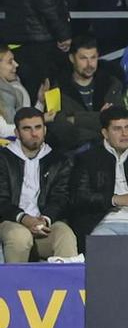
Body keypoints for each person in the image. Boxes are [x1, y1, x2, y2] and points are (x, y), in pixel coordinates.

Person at [50, 106, 128, 248]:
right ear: (105, 133)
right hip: (102, 225)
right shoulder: (88, 159)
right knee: (105, 256)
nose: (124, 134)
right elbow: (78, 197)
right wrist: (113, 199)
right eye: (117, 129)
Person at [0, 108, 76, 261]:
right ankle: (15, 285)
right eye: (27, 128)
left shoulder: (58, 160)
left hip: (45, 223)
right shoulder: (3, 158)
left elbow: (61, 197)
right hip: (10, 221)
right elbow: (1, 199)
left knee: (65, 234)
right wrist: (24, 219)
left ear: (45, 129)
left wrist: (45, 219)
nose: (34, 133)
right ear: (16, 132)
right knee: (19, 237)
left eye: (38, 127)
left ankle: (64, 284)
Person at [47, 37, 127, 156]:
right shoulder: (56, 89)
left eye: (93, 58)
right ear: (72, 58)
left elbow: (118, 122)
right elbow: (59, 129)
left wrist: (75, 119)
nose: (89, 64)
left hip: (109, 153)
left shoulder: (112, 84)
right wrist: (101, 120)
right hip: (74, 156)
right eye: (83, 58)